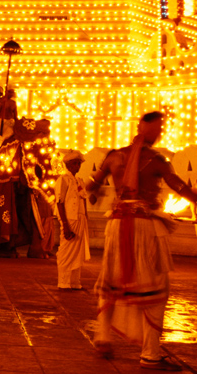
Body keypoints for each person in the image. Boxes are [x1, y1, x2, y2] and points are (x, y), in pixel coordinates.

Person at [87, 111, 197, 371]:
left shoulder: (113, 156)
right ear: (148, 129)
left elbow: (92, 184)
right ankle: (150, 354)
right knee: (156, 289)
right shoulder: (157, 160)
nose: (160, 133)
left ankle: (103, 338)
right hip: (143, 227)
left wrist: (95, 192)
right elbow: (179, 187)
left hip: (116, 223)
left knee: (111, 282)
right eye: (158, 128)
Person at [54, 150, 90, 290]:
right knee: (66, 251)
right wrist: (65, 224)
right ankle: (64, 282)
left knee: (77, 253)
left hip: (80, 219)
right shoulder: (63, 180)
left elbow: (84, 201)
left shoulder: (79, 181)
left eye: (79, 164)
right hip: (69, 219)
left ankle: (74, 282)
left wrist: (86, 218)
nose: (77, 166)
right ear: (68, 165)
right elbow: (59, 202)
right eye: (75, 163)